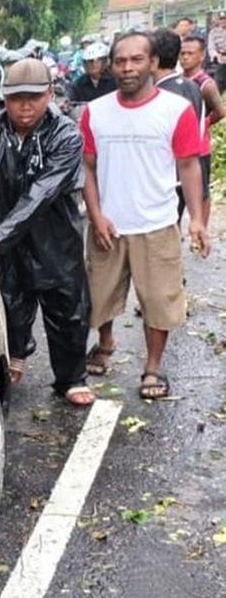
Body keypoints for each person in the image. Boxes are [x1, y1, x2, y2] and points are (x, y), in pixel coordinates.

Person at [0, 59, 94, 406]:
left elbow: (41, 193)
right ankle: (17, 353)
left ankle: (71, 378)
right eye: (17, 98)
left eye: (34, 97)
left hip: (54, 238)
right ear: (4, 96)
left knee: (68, 311)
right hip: (0, 238)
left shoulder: (65, 135)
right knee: (8, 303)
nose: (26, 106)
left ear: (49, 94)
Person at [80, 32, 210, 400]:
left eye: (137, 60)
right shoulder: (97, 111)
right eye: (120, 61)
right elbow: (87, 168)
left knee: (159, 301)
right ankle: (105, 343)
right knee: (98, 295)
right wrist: (95, 214)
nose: (128, 67)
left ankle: (152, 367)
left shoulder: (175, 110)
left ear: (153, 63)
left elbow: (188, 166)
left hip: (156, 224)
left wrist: (197, 219)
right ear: (111, 65)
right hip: (109, 225)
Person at [153, 29, 209, 226]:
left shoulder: (157, 93)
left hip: (168, 172)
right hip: (193, 164)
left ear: (153, 57)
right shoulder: (192, 86)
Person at [180, 34, 226, 222]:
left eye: (190, 53)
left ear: (201, 56)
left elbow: (220, 111)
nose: (185, 57)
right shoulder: (178, 81)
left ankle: (201, 226)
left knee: (202, 190)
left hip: (200, 147)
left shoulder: (206, 84)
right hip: (179, 145)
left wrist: (203, 123)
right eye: (182, 53)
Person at [208, 12, 226, 92]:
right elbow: (211, 47)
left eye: (225, 19)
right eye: (221, 19)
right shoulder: (214, 32)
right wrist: (216, 55)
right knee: (218, 84)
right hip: (220, 60)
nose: (223, 21)